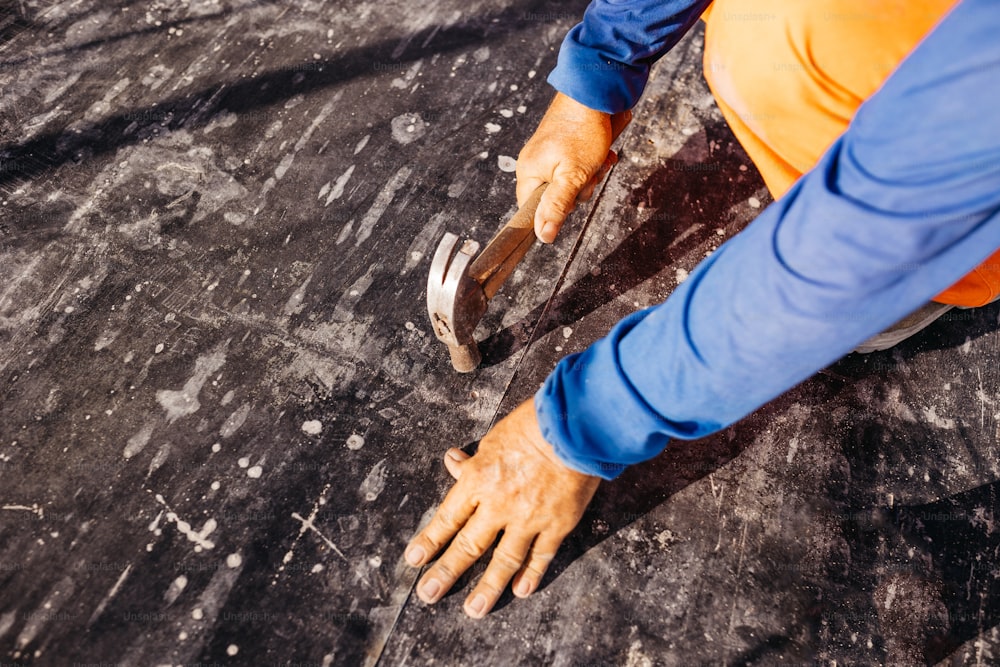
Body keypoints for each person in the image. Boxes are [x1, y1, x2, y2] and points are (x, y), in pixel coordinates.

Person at [406, 0, 1000, 619]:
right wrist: (600, 66)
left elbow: (851, 252)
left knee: (866, 264)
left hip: (946, 168)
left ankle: (950, 265)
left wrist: (577, 429)